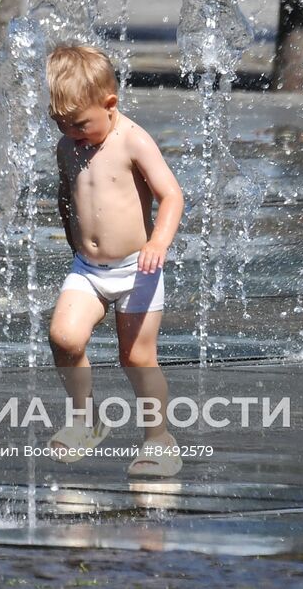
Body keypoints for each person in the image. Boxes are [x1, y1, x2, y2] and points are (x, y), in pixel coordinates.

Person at [45, 44, 184, 476]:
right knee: (64, 338)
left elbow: (171, 195)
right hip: (88, 269)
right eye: (61, 123)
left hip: (137, 269)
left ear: (110, 103)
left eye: (80, 124)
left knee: (137, 359)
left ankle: (159, 439)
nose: (72, 132)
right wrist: (73, 236)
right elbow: (67, 194)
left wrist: (158, 242)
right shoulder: (68, 146)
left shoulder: (132, 140)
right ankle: (86, 420)